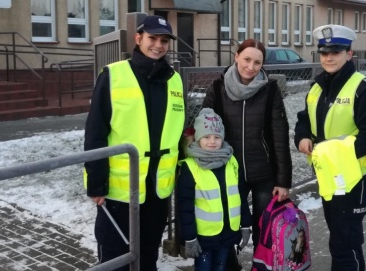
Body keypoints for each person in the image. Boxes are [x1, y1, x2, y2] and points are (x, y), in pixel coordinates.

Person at [84, 15, 185, 270]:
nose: (158, 45)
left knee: (148, 253)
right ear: (138, 38)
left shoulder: (174, 79)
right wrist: (97, 183)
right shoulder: (113, 75)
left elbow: (176, 130)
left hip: (156, 189)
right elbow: (95, 131)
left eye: (164, 40)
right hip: (120, 191)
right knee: (116, 256)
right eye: (152, 38)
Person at [294, 24, 366, 270]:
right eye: (324, 53)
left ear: (350, 53)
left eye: (336, 51)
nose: (329, 57)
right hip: (328, 178)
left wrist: (327, 151)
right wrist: (302, 137)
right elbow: (304, 118)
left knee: (346, 243)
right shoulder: (317, 87)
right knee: (338, 237)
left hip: (352, 179)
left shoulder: (364, 89)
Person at [201, 39, 293, 262]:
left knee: (265, 228)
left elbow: (279, 136)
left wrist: (283, 181)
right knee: (229, 226)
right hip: (229, 172)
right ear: (236, 56)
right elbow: (203, 126)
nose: (251, 67)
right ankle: (229, 266)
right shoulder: (217, 87)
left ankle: (262, 266)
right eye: (247, 59)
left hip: (264, 173)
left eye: (257, 62)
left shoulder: (270, 90)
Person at [177, 107, 252, 271]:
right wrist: (189, 237)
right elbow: (185, 206)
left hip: (227, 233)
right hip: (203, 237)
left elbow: (240, 196)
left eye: (217, 137)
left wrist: (245, 225)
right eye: (207, 137)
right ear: (197, 138)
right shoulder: (190, 167)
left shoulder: (230, 161)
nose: (212, 141)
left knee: (221, 267)